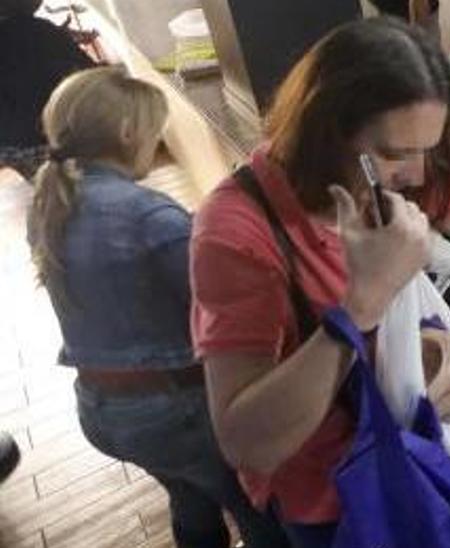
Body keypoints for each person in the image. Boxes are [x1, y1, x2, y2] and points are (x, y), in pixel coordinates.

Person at [189, 17, 450, 546]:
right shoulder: (237, 232)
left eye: (428, 148)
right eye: (395, 153)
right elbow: (246, 442)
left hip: (425, 455)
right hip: (338, 503)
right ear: (327, 129)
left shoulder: (408, 178)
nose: (419, 175)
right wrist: (360, 305)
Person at [25, 67, 286, 548]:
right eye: (154, 129)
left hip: (103, 411)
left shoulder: (50, 205)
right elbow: (224, 303)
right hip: (174, 412)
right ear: (128, 132)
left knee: (190, 497)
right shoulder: (148, 215)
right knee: (260, 507)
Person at [0, 0, 94, 180]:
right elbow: (90, 72)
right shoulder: (42, 30)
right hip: (49, 136)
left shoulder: (41, 31)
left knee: (49, 183)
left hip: (8, 145)